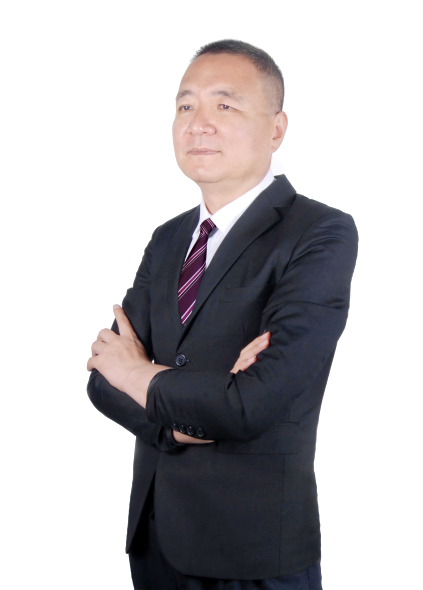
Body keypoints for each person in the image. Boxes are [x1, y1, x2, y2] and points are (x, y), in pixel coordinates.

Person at [87, 38, 358, 589]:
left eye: (225, 104)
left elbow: (252, 405)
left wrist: (139, 374)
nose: (198, 123)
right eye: (185, 105)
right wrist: (184, 424)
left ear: (277, 129)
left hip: (253, 553)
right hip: (154, 542)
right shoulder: (168, 238)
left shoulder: (320, 232)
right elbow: (101, 381)